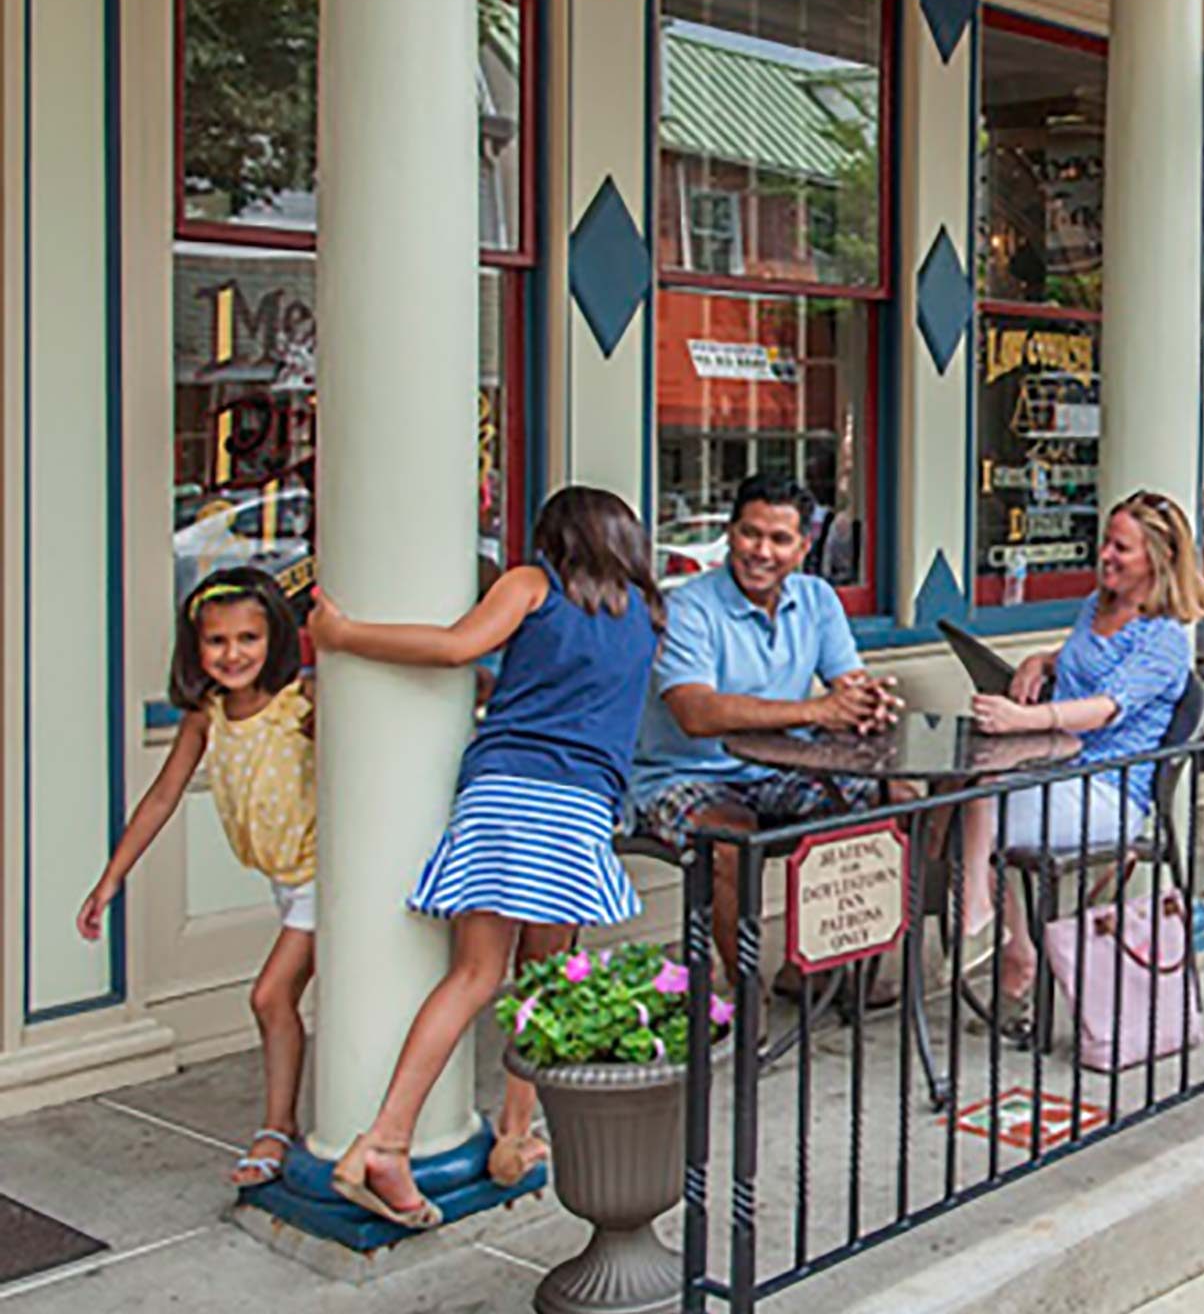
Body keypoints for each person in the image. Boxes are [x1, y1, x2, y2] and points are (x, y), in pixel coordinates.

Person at [309, 486, 663, 1229]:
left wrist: (344, 635)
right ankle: (515, 1134)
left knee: (473, 975)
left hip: (509, 792)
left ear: (553, 538)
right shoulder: (644, 616)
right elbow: (573, 692)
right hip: (582, 807)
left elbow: (452, 646)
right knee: (545, 977)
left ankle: (387, 1140)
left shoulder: (532, 584)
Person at [78, 568, 314, 1188]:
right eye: (217, 642)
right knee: (287, 1000)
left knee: (269, 996)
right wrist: (112, 878)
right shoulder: (206, 717)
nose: (232, 654)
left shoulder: (300, 704)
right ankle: (294, 1122)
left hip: (325, 874)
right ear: (195, 647)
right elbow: (161, 797)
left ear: (275, 640)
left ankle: (277, 1127)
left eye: (248, 639)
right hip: (283, 877)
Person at [628, 472, 902, 981]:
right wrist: (818, 711)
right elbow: (695, 713)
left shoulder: (817, 599)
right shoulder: (688, 607)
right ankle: (744, 991)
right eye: (750, 534)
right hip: (682, 775)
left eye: (779, 539)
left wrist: (868, 703)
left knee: (888, 800)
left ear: (803, 547)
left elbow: (850, 683)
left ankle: (822, 970)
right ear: (730, 534)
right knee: (728, 840)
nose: (761, 551)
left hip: (775, 771)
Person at [966, 491, 1204, 1047]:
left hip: (1108, 788)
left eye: (1121, 548)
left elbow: (1107, 707)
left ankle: (994, 933)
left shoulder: (1166, 640)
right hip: (1054, 769)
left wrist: (1022, 718)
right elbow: (1080, 657)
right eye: (1105, 541)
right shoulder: (1097, 605)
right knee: (953, 800)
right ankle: (1007, 942)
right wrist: (1039, 660)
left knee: (968, 804)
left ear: (1159, 558)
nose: (1105, 555)